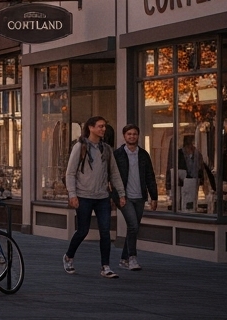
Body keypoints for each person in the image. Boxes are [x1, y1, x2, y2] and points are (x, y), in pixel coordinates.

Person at [64, 116, 125, 279]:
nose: (103, 129)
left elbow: (114, 173)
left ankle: (105, 266)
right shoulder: (80, 147)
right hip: (83, 196)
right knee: (83, 230)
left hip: (102, 197)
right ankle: (69, 256)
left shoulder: (107, 149)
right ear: (90, 128)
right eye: (100, 126)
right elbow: (70, 173)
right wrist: (72, 194)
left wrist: (121, 193)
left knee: (105, 232)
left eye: (104, 126)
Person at [114, 124, 158, 272]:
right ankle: (132, 258)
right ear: (124, 136)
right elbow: (112, 177)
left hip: (140, 197)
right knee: (133, 226)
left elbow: (150, 176)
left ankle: (123, 259)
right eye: (129, 134)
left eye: (134, 134)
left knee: (134, 228)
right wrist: (117, 195)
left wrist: (154, 196)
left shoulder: (143, 155)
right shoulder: (118, 154)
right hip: (124, 197)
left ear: (138, 136)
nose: (132, 136)